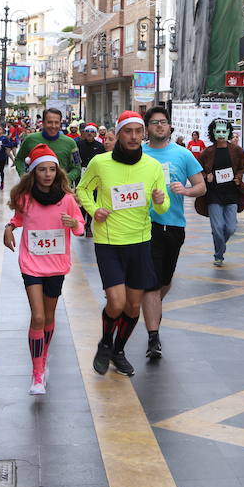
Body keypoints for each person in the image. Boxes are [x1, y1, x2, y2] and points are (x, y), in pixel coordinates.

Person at [76, 111, 169, 377]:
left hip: (140, 242)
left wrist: (161, 199)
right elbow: (82, 189)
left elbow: (163, 209)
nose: (133, 137)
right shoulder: (100, 163)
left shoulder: (152, 167)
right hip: (109, 242)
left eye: (138, 132)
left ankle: (118, 350)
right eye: (128, 131)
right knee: (116, 302)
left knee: (132, 306)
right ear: (117, 134)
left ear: (144, 134)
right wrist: (94, 210)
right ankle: (105, 343)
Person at [3, 144, 85, 394]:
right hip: (31, 264)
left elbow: (80, 227)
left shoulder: (68, 200)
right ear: (33, 172)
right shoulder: (25, 198)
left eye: (52, 169)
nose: (48, 174)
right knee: (37, 317)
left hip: (56, 264)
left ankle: (43, 356)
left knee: (48, 318)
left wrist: (74, 224)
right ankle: (37, 374)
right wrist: (9, 227)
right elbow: (18, 218)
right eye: (42, 170)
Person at [142, 107, 206, 358]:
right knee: (152, 283)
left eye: (163, 122)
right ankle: (153, 338)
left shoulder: (183, 154)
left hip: (174, 225)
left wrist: (185, 191)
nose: (159, 126)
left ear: (170, 127)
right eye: (154, 122)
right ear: (147, 127)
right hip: (144, 225)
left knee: (164, 281)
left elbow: (201, 186)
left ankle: (153, 309)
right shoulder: (138, 154)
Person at [194, 119, 244, 267]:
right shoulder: (207, 152)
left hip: (231, 193)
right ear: (213, 133)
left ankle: (220, 248)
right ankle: (218, 255)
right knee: (217, 227)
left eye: (224, 131)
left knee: (230, 228)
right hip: (213, 194)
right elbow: (199, 170)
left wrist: (238, 177)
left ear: (229, 133)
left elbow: (242, 166)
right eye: (218, 131)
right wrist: (207, 176)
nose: (221, 134)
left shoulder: (237, 150)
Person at [15, 108, 82, 185]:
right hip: (35, 190)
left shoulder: (70, 143)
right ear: (43, 123)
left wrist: (65, 179)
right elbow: (19, 159)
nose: (53, 126)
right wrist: (24, 176)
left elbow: (77, 167)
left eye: (56, 122)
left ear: (60, 123)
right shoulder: (30, 139)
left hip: (61, 191)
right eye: (49, 122)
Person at [76, 123, 107, 236]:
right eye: (87, 131)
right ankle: (81, 223)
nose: (89, 134)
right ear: (84, 133)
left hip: (95, 177)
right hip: (81, 175)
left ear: (95, 134)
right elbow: (74, 159)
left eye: (92, 132)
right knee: (81, 200)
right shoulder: (78, 144)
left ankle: (88, 225)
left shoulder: (100, 146)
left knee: (92, 199)